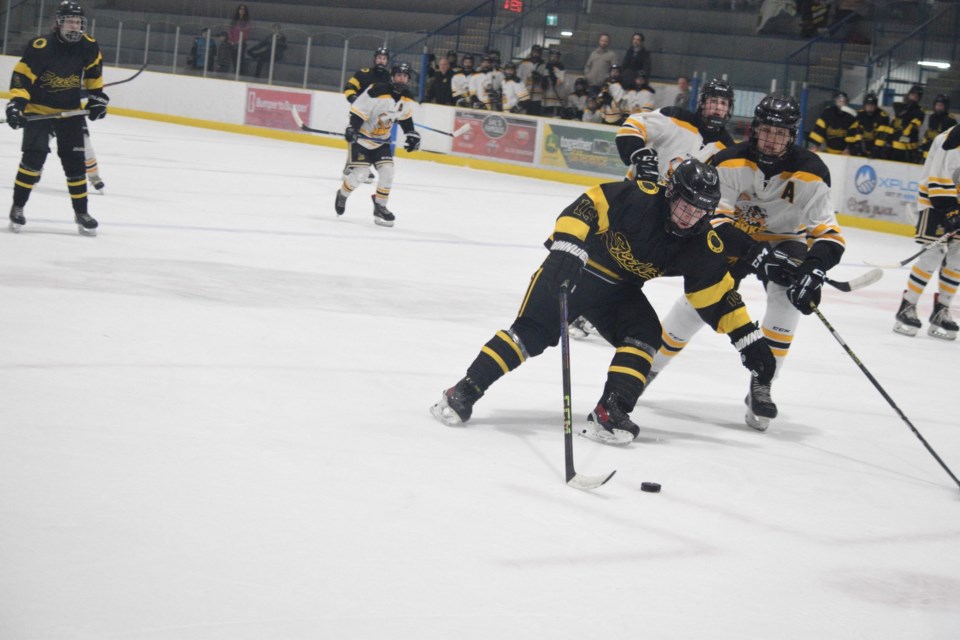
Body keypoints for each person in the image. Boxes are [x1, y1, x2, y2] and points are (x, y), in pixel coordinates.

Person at [429, 160, 775, 444]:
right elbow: (587, 205)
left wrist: (748, 338)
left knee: (645, 335)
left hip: (618, 291)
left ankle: (611, 411)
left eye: (700, 210)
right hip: (574, 269)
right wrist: (568, 245)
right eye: (685, 204)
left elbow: (714, 294)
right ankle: (465, 389)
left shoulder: (701, 242)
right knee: (531, 335)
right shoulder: (640, 198)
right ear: (671, 193)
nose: (689, 216)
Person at [648, 95, 846, 431]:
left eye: (780, 133)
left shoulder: (812, 171)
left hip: (786, 240)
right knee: (704, 296)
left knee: (788, 297)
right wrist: (756, 253)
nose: (772, 139)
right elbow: (714, 219)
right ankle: (649, 368)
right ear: (754, 129)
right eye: (766, 130)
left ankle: (762, 381)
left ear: (792, 135)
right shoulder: (729, 161)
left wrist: (815, 266)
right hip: (736, 238)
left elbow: (827, 230)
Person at [6, 0, 107, 236]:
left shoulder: (89, 45)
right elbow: (22, 78)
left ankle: (81, 212)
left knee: (74, 165)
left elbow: (94, 75)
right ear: (59, 23)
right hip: (39, 111)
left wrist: (97, 99)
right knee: (33, 160)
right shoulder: (41, 46)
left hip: (70, 112)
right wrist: (16, 105)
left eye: (78, 22)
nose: (74, 26)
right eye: (70, 21)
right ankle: (18, 207)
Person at [893, 124, 960, 340]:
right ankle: (908, 304)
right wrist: (950, 211)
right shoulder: (949, 139)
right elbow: (937, 176)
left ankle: (942, 310)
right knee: (932, 255)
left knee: (957, 259)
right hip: (936, 203)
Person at [333, 63, 419, 228]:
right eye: (398, 75)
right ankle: (343, 194)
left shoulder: (406, 97)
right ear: (392, 76)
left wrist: (411, 134)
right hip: (362, 140)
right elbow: (359, 111)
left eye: (405, 76)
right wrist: (353, 128)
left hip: (381, 143)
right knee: (361, 174)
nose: (402, 78)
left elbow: (405, 118)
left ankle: (380, 206)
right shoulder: (376, 90)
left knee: (388, 172)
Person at [615, 77, 736, 183]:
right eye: (713, 101)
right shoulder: (675, 117)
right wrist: (639, 155)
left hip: (679, 208)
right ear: (703, 103)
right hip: (638, 192)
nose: (718, 107)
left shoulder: (727, 149)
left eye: (724, 103)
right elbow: (634, 124)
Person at [875, 84, 925, 163]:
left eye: (916, 97)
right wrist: (888, 142)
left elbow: (909, 131)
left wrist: (908, 113)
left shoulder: (920, 112)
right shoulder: (900, 107)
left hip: (909, 148)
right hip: (894, 146)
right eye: (912, 95)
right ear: (908, 95)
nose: (913, 98)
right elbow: (893, 125)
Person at [920, 94, 957, 160]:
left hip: (941, 152)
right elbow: (928, 132)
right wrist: (923, 144)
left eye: (941, 106)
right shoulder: (932, 117)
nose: (938, 107)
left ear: (946, 107)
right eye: (937, 105)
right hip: (929, 150)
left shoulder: (951, 120)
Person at [853, 92, 889, 157]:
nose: (870, 107)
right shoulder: (859, 114)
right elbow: (857, 131)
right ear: (864, 105)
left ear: (876, 106)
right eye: (868, 105)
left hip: (878, 147)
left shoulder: (882, 116)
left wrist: (877, 147)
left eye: (872, 105)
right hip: (863, 145)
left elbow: (883, 134)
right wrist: (858, 144)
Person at [516, 45, 545, 115]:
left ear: (540, 54)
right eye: (534, 52)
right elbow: (518, 79)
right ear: (531, 52)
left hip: (537, 97)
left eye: (538, 52)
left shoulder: (543, 65)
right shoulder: (523, 64)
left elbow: (545, 83)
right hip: (525, 95)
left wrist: (539, 77)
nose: (536, 54)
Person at [540, 48, 566, 117]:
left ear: (558, 58)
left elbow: (560, 82)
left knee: (555, 117)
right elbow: (543, 81)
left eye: (555, 57)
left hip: (556, 100)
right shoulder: (546, 66)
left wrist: (553, 76)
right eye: (552, 56)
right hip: (546, 98)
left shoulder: (561, 68)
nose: (553, 58)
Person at [228, 4, 252, 75]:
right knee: (233, 57)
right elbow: (230, 30)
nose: (242, 10)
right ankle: (235, 70)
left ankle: (240, 72)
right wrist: (231, 40)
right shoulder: (234, 21)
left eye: (243, 9)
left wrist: (240, 41)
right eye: (240, 9)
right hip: (233, 42)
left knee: (240, 58)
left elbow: (246, 32)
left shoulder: (247, 21)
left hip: (241, 42)